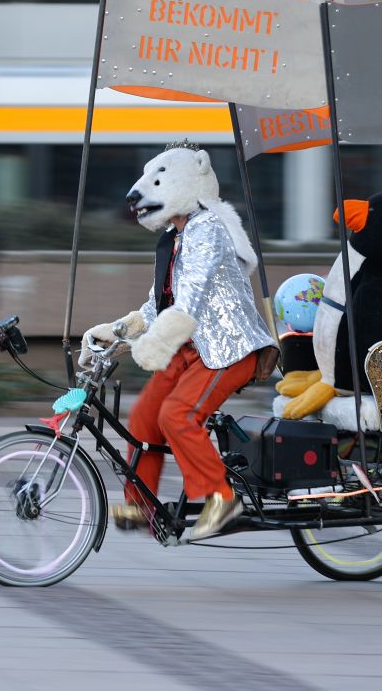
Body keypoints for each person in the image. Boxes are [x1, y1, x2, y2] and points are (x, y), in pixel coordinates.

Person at [78, 142, 275, 541]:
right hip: (191, 350)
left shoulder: (208, 229)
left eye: (159, 181)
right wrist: (115, 332)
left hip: (229, 350)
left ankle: (222, 500)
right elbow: (158, 305)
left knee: (178, 416)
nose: (141, 193)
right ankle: (140, 503)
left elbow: (194, 297)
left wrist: (155, 344)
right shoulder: (176, 235)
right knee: (144, 419)